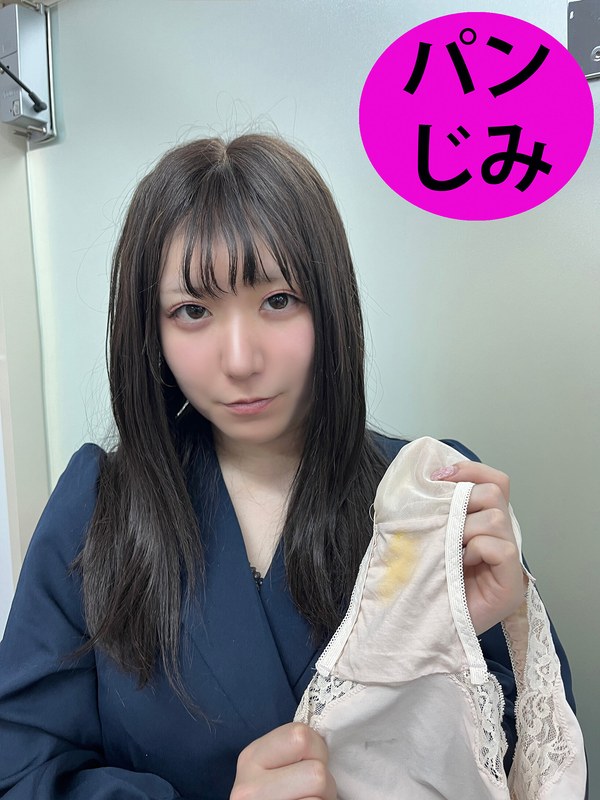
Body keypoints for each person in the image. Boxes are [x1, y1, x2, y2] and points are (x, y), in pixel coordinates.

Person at [0, 134, 579, 800]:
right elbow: (23, 772)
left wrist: (494, 630)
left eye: (277, 300)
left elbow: (534, 767)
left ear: (329, 303)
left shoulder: (427, 496)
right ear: (150, 330)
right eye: (192, 312)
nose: (241, 360)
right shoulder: (96, 507)